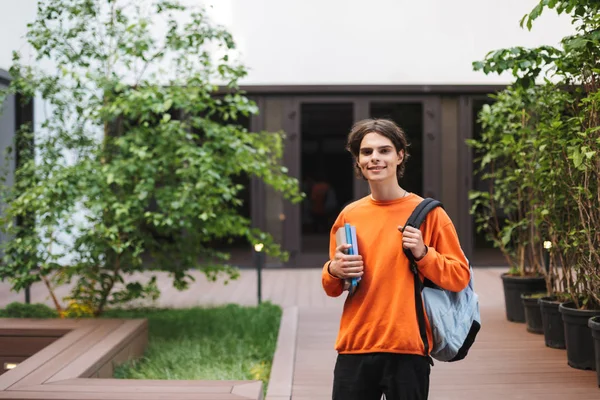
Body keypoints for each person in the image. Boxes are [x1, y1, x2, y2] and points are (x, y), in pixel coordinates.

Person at [321, 118, 470, 400]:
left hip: (408, 349)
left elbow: (459, 276)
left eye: (384, 150)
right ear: (358, 160)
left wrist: (424, 254)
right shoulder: (349, 216)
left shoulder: (430, 214)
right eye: (366, 152)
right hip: (355, 346)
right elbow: (332, 287)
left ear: (400, 155)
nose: (375, 158)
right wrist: (334, 270)